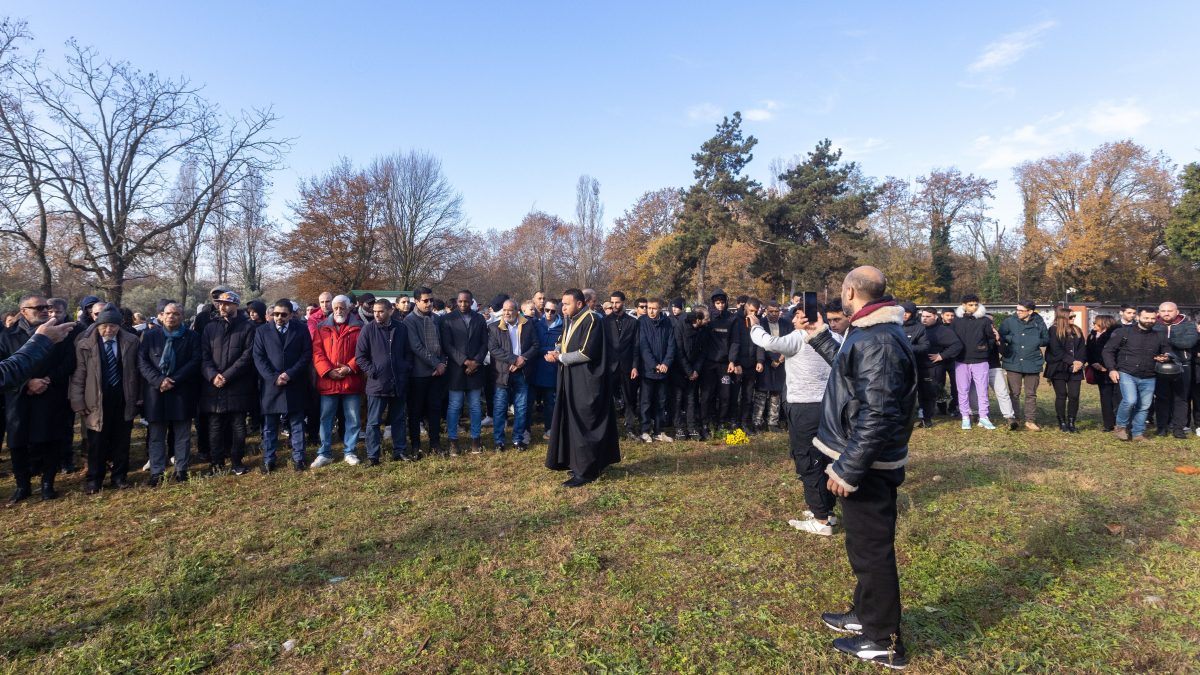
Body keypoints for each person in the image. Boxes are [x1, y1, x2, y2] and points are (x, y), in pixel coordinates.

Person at [800, 266, 914, 669]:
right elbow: (851, 376)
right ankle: (865, 616)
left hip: (868, 464)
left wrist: (848, 469)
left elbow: (878, 413)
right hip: (863, 457)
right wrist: (817, 337)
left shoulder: (878, 339)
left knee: (871, 551)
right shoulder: (869, 332)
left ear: (849, 291)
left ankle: (881, 639)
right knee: (862, 547)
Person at [748, 300, 848, 537]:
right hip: (828, 407)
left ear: (810, 319)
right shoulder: (835, 339)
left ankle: (821, 520)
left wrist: (754, 324)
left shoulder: (799, 337)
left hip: (804, 408)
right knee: (825, 458)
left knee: (807, 459)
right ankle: (826, 509)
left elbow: (768, 342)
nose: (792, 320)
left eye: (798, 316)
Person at [1, 297, 80, 504]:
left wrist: (47, 379)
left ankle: (48, 484)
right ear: (23, 311)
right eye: (39, 308)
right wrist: (27, 383)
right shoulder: (6, 335)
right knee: (18, 442)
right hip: (19, 397)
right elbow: (4, 367)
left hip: (50, 393)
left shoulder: (59, 332)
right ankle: (22, 486)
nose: (45, 310)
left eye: (47, 307)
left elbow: (69, 362)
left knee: (51, 439)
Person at [545, 288, 620, 487]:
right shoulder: (569, 320)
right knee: (571, 421)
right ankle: (577, 462)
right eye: (562, 303)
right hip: (571, 379)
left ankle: (586, 471)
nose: (563, 307)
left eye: (567, 303)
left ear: (579, 304)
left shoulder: (592, 320)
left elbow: (587, 353)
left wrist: (559, 358)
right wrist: (554, 352)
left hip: (586, 382)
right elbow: (563, 344)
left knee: (584, 423)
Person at [70, 304, 141, 493]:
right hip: (95, 400)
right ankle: (95, 479)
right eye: (104, 326)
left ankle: (119, 477)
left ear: (119, 326)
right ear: (97, 324)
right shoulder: (85, 344)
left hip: (123, 398)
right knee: (96, 443)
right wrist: (77, 401)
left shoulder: (131, 342)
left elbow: (137, 371)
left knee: (121, 441)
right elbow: (79, 375)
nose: (108, 330)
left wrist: (139, 399)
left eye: (113, 326)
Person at [138, 301, 202, 486]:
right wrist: (159, 380)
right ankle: (157, 472)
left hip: (181, 390)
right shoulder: (150, 336)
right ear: (161, 315)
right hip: (156, 391)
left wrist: (174, 379)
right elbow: (142, 362)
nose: (171, 317)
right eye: (167, 313)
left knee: (182, 434)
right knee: (157, 434)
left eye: (175, 314)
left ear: (182, 317)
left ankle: (181, 469)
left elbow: (196, 360)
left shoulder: (192, 336)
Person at [200, 290, 258, 475]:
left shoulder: (248, 327)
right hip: (214, 386)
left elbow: (247, 356)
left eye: (226, 304)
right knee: (215, 427)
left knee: (239, 427)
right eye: (219, 303)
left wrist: (228, 375)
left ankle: (237, 462)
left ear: (236, 305)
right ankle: (216, 464)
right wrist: (213, 375)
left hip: (238, 385)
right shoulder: (210, 328)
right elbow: (204, 355)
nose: (222, 307)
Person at [253, 299, 313, 472]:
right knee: (270, 426)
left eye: (283, 314)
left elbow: (306, 354)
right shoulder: (262, 331)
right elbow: (259, 357)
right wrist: (274, 377)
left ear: (291, 315)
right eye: (275, 314)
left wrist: (290, 374)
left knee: (297, 424)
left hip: (294, 382)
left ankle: (298, 458)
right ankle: (269, 459)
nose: (279, 317)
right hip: (272, 385)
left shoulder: (301, 329)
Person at [356, 297, 412, 465]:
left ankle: (399, 450)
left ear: (390, 311)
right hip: (377, 384)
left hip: (398, 382)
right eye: (374, 312)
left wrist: (404, 368)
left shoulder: (401, 328)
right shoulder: (368, 330)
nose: (377, 315)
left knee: (399, 419)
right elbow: (360, 357)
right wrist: (374, 371)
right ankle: (373, 455)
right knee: (373, 422)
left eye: (380, 311)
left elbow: (408, 352)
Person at [311, 294, 364, 467]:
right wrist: (328, 371)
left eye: (342, 307)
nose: (339, 311)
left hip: (351, 380)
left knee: (353, 418)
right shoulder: (321, 327)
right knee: (326, 418)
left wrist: (349, 367)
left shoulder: (360, 327)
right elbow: (317, 353)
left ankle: (350, 451)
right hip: (329, 380)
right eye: (336, 308)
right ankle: (324, 452)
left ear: (349, 308)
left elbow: (362, 352)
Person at [1103, 307, 1168, 442]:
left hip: (1149, 375)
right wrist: (1112, 369)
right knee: (1130, 400)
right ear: (1138, 317)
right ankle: (1121, 426)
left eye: (1152, 318)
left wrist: (1166, 357)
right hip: (1127, 372)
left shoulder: (1159, 335)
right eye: (1146, 318)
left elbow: (1167, 350)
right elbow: (1108, 351)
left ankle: (1138, 433)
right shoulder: (1123, 332)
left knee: (1144, 405)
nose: (1149, 321)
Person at [442, 290, 488, 456]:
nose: (463, 304)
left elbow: (485, 343)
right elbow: (447, 345)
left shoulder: (479, 318)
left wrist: (476, 361)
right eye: (460, 301)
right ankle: (453, 441)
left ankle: (476, 439)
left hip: (476, 369)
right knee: (454, 406)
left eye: (466, 302)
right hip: (456, 369)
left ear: (471, 301)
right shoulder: (447, 319)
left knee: (475, 407)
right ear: (457, 301)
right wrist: (464, 361)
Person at [488, 299, 539, 452]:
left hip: (522, 372)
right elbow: (494, 349)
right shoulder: (493, 327)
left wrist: (523, 359)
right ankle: (499, 441)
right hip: (502, 373)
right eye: (504, 310)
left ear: (517, 311)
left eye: (510, 310)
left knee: (521, 408)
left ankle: (518, 439)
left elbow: (535, 345)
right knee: (499, 408)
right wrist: (514, 359)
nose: (506, 313)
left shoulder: (528, 324)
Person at [405, 287, 447, 456]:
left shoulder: (437, 319)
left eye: (431, 300)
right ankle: (416, 445)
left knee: (435, 409)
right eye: (425, 300)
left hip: (437, 373)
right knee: (415, 411)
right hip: (419, 373)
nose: (429, 303)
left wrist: (443, 363)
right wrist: (436, 363)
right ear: (416, 301)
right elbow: (416, 347)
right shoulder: (410, 321)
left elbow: (443, 344)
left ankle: (435, 443)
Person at [998, 301, 1049, 431]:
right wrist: (1011, 338)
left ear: (1030, 312)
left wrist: (1035, 340)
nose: (1018, 312)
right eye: (1017, 309)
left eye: (1021, 310)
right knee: (1014, 393)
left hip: (1032, 362)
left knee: (1031, 393)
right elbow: (1000, 336)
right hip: (1013, 361)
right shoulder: (1009, 321)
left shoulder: (1039, 322)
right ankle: (1014, 418)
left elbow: (1046, 339)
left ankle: (1030, 420)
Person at [1152, 302, 1197, 439]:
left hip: (1182, 366)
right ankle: (1162, 428)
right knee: (1161, 398)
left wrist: (1165, 339)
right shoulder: (1154, 325)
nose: (1166, 313)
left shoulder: (1188, 324)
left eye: (1169, 311)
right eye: (1163, 311)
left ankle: (1179, 429)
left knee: (1181, 399)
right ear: (1158, 312)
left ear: (1177, 312)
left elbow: (1188, 342)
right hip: (1159, 367)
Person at [951, 294, 996, 430]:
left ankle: (984, 417)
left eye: (976, 304)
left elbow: (991, 338)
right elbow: (952, 340)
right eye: (971, 304)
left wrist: (984, 349)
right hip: (961, 361)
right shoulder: (956, 321)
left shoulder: (984, 321)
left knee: (982, 390)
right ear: (963, 305)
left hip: (980, 360)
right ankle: (965, 417)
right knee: (962, 390)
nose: (974, 307)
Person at [700, 289, 739, 436]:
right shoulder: (708, 319)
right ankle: (705, 421)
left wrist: (732, 360)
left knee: (725, 395)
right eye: (717, 303)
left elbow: (735, 341)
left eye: (722, 303)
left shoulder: (732, 319)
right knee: (707, 394)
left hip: (725, 363)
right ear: (713, 303)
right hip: (709, 363)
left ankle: (721, 421)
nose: (720, 306)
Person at [636, 298, 675, 443]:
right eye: (649, 308)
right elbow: (643, 347)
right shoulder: (642, 322)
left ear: (660, 309)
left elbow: (671, 345)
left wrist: (666, 363)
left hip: (664, 370)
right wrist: (655, 365)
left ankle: (659, 431)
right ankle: (645, 430)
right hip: (648, 370)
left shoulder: (667, 323)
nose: (651, 311)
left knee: (661, 401)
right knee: (646, 402)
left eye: (654, 308)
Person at [1044, 306, 1086, 432]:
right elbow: (1056, 351)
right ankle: (1062, 422)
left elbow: (1082, 349)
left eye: (1074, 317)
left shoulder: (1077, 330)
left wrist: (1079, 363)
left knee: (1074, 395)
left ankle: (1072, 421)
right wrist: (1072, 361)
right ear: (1063, 317)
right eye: (1071, 317)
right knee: (1061, 395)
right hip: (1058, 368)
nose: (1074, 319)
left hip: (1076, 369)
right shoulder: (1053, 330)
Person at [917, 308, 961, 427]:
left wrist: (942, 355)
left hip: (932, 367)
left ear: (936, 317)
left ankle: (927, 418)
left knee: (930, 392)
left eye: (928, 316)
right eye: (923, 316)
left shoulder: (942, 330)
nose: (924, 318)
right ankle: (923, 412)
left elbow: (957, 345)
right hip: (916, 366)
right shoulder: (918, 328)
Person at [605, 291, 640, 440]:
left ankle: (630, 428)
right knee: (607, 399)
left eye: (617, 302)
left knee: (629, 398)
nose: (614, 305)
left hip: (627, 366)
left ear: (623, 302)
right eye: (612, 302)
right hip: (609, 366)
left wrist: (635, 366)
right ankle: (608, 430)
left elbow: (636, 346)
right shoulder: (604, 321)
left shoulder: (633, 322)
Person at [753, 301, 789, 432]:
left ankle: (772, 422)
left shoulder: (786, 323)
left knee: (776, 393)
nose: (774, 314)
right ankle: (757, 421)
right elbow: (760, 343)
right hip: (765, 362)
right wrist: (771, 359)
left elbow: (789, 341)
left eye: (776, 311)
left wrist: (781, 358)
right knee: (761, 392)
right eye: (771, 311)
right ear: (766, 311)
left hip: (782, 361)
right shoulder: (760, 323)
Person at [670, 306, 706, 440]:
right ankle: (679, 427)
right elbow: (679, 351)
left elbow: (703, 352)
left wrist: (696, 370)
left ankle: (691, 427)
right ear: (697, 320)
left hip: (694, 371)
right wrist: (689, 371)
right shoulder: (680, 327)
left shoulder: (702, 331)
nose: (707, 321)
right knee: (678, 400)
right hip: (679, 370)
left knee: (691, 400)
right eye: (705, 319)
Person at [531, 299, 563, 441]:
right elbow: (532, 344)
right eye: (547, 310)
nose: (549, 313)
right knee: (528, 401)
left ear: (557, 312)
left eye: (553, 311)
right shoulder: (537, 324)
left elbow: (563, 345)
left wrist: (556, 353)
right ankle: (525, 430)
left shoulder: (563, 327)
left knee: (550, 401)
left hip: (552, 369)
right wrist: (547, 351)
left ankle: (549, 428)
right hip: (536, 367)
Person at [732, 298, 762, 434]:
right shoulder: (736, 320)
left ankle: (745, 422)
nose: (753, 314)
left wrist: (760, 360)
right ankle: (733, 422)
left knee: (748, 396)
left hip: (752, 364)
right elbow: (733, 343)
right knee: (735, 395)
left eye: (755, 311)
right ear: (746, 307)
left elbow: (761, 341)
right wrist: (735, 362)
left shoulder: (758, 321)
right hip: (739, 364)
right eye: (751, 311)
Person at [1086, 314, 1120, 432]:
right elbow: (1088, 351)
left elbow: (1114, 353)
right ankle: (1108, 423)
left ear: (1104, 324)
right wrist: (1093, 363)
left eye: (1096, 323)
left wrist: (1108, 366)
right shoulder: (1092, 336)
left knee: (1116, 398)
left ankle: (1119, 423)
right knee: (1105, 398)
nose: (1094, 325)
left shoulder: (1114, 335)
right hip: (1099, 372)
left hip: (1113, 370)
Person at [899, 302, 930, 423]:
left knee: (922, 392)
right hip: (899, 365)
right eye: (903, 312)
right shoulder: (894, 326)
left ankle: (925, 416)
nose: (905, 315)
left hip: (916, 364)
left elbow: (925, 346)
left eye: (907, 312)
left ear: (913, 314)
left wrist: (908, 348)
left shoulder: (919, 328)